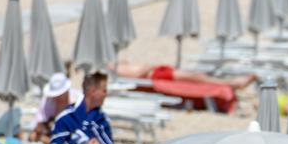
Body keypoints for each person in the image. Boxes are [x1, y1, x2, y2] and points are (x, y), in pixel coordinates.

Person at [108, 62, 257, 91]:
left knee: (197, 77)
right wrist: (148, 67)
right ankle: (233, 83)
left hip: (159, 72)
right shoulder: (113, 69)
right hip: (157, 76)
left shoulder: (115, 63)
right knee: (197, 78)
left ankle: (232, 83)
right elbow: (135, 76)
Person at [31, 73, 82, 144]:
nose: (57, 98)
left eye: (59, 95)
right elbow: (38, 126)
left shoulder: (78, 101)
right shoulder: (46, 102)